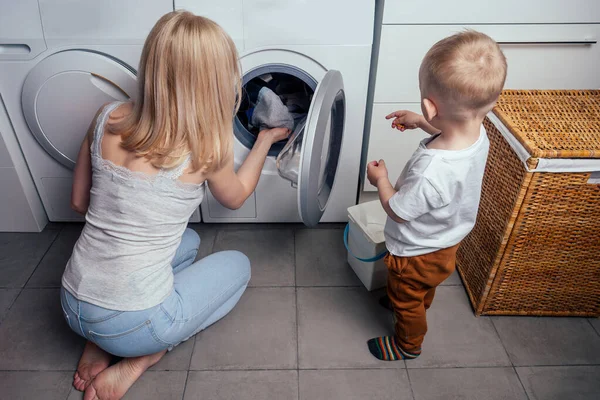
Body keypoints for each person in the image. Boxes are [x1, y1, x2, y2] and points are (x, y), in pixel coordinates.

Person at [60, 11, 290, 399]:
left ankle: (97, 342)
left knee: (189, 241)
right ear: (215, 82)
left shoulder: (104, 118)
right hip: (134, 323)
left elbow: (79, 202)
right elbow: (235, 197)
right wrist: (265, 140)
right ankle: (141, 357)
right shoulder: (204, 147)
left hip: (71, 301)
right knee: (238, 266)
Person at [365, 30, 507, 361]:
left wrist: (380, 179)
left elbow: (398, 210)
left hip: (415, 251)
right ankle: (417, 296)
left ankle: (407, 344)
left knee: (407, 297)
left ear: (431, 106)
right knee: (422, 287)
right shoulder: (477, 133)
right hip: (445, 241)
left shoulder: (432, 172)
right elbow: (451, 128)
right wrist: (421, 122)